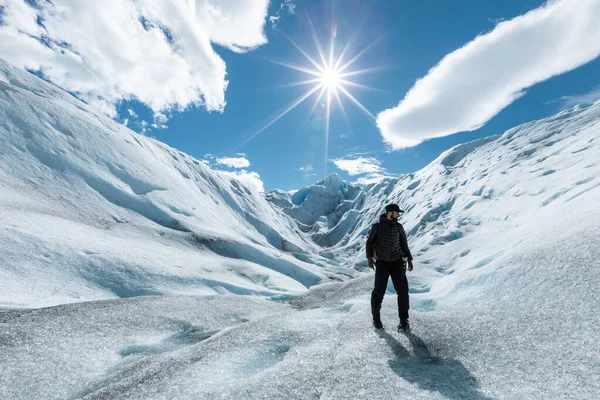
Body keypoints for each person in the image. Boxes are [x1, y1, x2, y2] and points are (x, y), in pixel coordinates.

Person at [366, 203, 414, 332]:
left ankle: (404, 321)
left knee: (403, 292)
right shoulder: (377, 227)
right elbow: (369, 242)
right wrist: (369, 258)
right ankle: (376, 320)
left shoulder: (399, 227)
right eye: (396, 212)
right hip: (382, 264)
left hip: (397, 263)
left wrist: (409, 259)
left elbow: (404, 244)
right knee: (378, 293)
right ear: (389, 213)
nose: (398, 215)